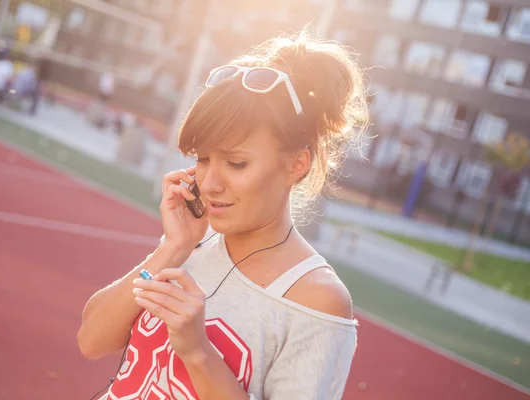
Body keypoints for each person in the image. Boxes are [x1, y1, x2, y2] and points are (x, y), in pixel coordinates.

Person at [78, 31, 369, 400]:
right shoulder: (193, 246)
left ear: (297, 164)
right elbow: (90, 340)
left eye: (236, 163)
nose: (210, 183)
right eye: (202, 159)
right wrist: (173, 247)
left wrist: (198, 351)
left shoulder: (317, 298)